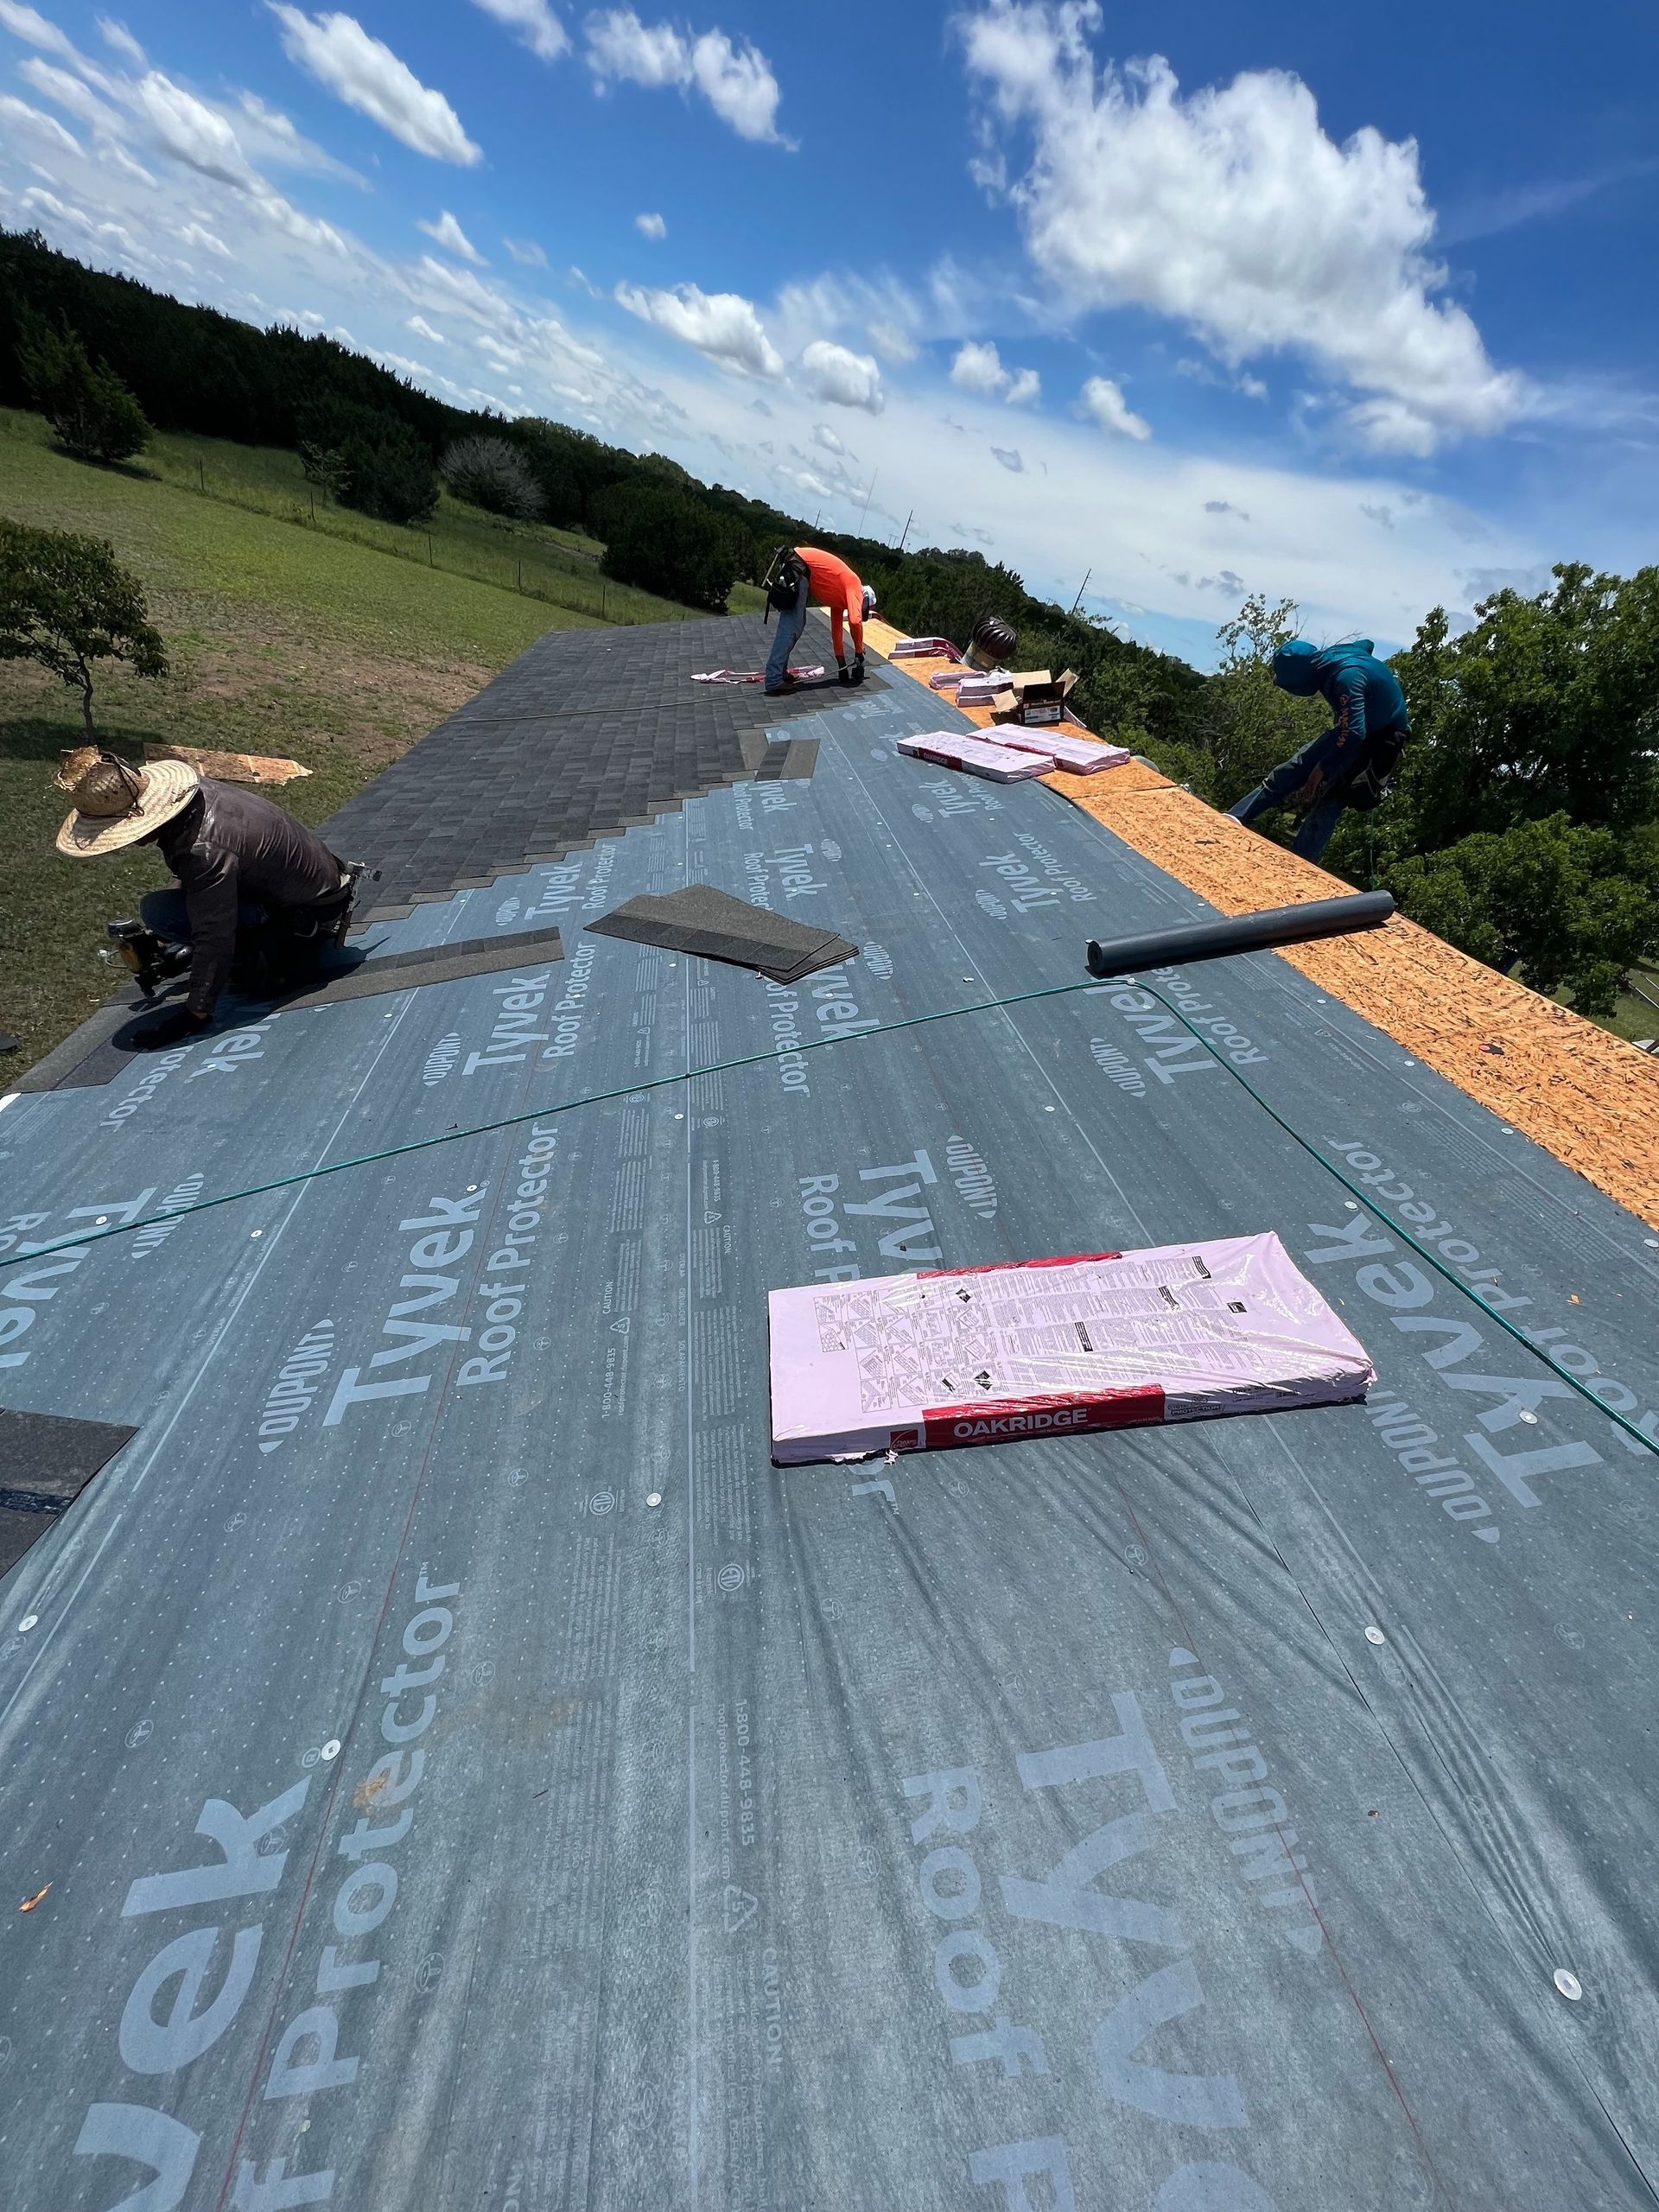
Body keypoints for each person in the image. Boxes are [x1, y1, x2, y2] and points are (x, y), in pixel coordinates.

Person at [54, 748, 354, 1049]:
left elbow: (214, 933)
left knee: (160, 912)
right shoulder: (196, 792)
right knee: (171, 910)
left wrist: (195, 1012)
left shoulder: (203, 850)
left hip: (310, 912)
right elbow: (194, 877)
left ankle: (265, 952)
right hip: (324, 884)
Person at [1229, 639, 1411, 863]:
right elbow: (1368, 644)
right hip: (1355, 728)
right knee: (1292, 769)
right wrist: (1375, 685)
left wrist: (1321, 769)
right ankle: (1234, 818)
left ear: (1301, 678)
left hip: (1381, 737)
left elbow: (1355, 735)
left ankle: (1300, 863)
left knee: (1333, 797)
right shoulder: (1334, 655)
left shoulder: (1347, 678)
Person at [764, 545, 875, 696]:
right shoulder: (854, 584)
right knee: (792, 626)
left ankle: (780, 674)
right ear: (865, 599)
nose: (860, 611)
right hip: (799, 568)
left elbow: (837, 631)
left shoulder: (840, 599)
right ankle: (774, 680)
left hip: (798, 567)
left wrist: (841, 664)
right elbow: (855, 622)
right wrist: (859, 652)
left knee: (795, 624)